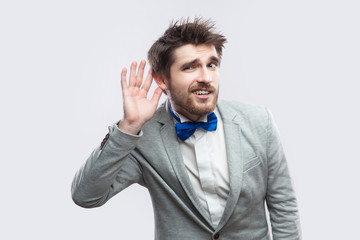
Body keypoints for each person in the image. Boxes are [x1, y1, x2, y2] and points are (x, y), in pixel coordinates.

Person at [71, 18, 301, 240]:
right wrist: (129, 126)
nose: (205, 77)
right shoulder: (142, 136)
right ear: (162, 80)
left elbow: (283, 205)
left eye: (211, 64)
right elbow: (85, 196)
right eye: (190, 67)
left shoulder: (259, 121)